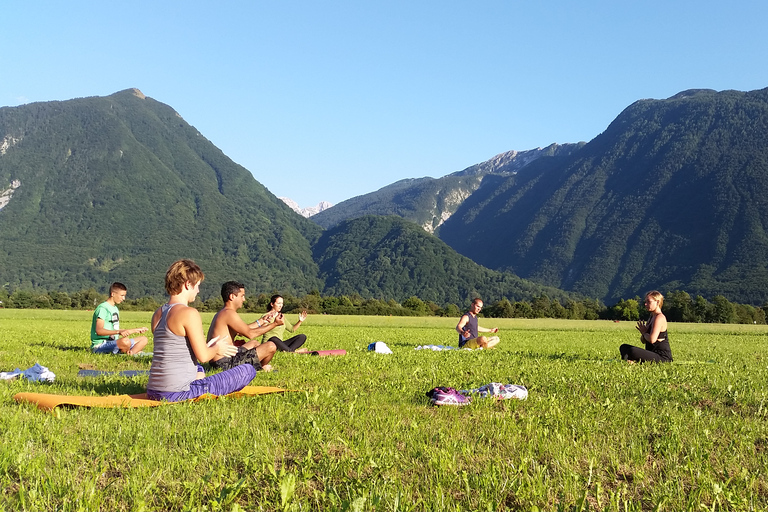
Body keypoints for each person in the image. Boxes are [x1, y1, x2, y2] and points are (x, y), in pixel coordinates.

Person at [146, 260, 256, 402]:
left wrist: (208, 346)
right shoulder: (189, 313)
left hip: (153, 390)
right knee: (247, 370)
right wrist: (217, 348)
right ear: (187, 284)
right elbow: (204, 357)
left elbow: (173, 350)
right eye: (197, 286)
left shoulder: (158, 313)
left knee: (199, 369)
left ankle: (197, 379)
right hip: (178, 393)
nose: (198, 291)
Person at [206, 281, 281, 372]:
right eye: (242, 296)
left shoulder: (224, 312)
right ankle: (260, 368)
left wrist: (261, 321)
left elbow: (241, 331)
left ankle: (260, 366)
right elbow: (250, 334)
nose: (244, 299)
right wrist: (275, 324)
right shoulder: (229, 313)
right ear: (232, 296)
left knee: (254, 343)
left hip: (220, 359)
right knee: (271, 346)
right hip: (224, 363)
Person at [90, 282, 149, 355]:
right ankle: (128, 352)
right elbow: (99, 331)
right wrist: (118, 332)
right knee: (125, 341)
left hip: (115, 342)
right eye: (122, 295)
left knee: (143, 339)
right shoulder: (103, 308)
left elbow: (116, 330)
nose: (123, 298)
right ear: (113, 294)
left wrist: (136, 330)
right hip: (101, 345)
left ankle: (130, 353)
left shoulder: (115, 308)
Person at [619, 290, 673, 363]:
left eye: (648, 302)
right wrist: (644, 333)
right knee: (624, 347)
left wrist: (644, 333)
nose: (645, 304)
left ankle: (631, 361)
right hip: (652, 353)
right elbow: (643, 341)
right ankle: (630, 361)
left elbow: (652, 339)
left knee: (633, 351)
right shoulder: (652, 317)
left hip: (662, 357)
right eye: (645, 302)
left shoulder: (659, 318)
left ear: (657, 302)